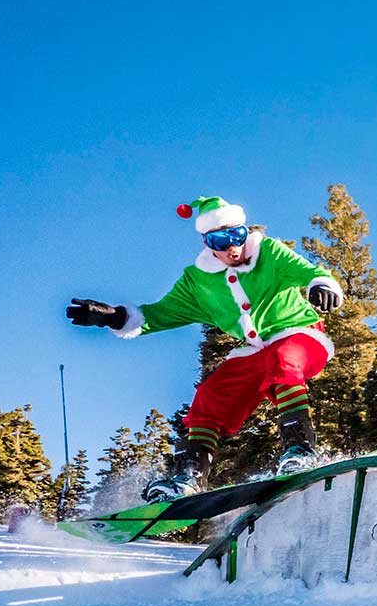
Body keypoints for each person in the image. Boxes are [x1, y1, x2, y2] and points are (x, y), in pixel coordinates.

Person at [66, 196, 344, 502]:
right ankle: (189, 476)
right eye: (220, 240)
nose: (232, 247)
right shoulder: (197, 282)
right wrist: (115, 317)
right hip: (257, 350)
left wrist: (322, 285)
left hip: (302, 336)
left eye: (237, 235)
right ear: (206, 242)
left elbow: (310, 272)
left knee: (283, 358)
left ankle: (300, 449)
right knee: (210, 394)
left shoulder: (269, 252)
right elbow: (159, 314)